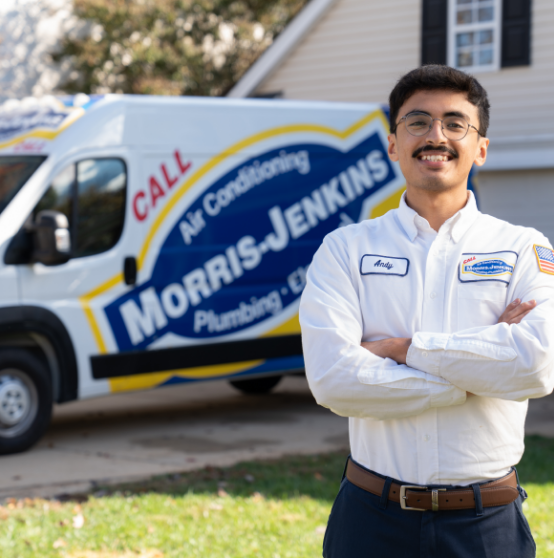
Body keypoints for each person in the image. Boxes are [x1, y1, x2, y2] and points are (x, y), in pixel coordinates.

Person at [299, 64, 554, 557]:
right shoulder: (345, 249)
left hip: (486, 526)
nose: (435, 136)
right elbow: (333, 378)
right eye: (417, 121)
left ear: (480, 147)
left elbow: (537, 366)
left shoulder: (524, 248)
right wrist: (475, 372)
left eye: (455, 123)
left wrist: (399, 349)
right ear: (393, 143)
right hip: (370, 521)